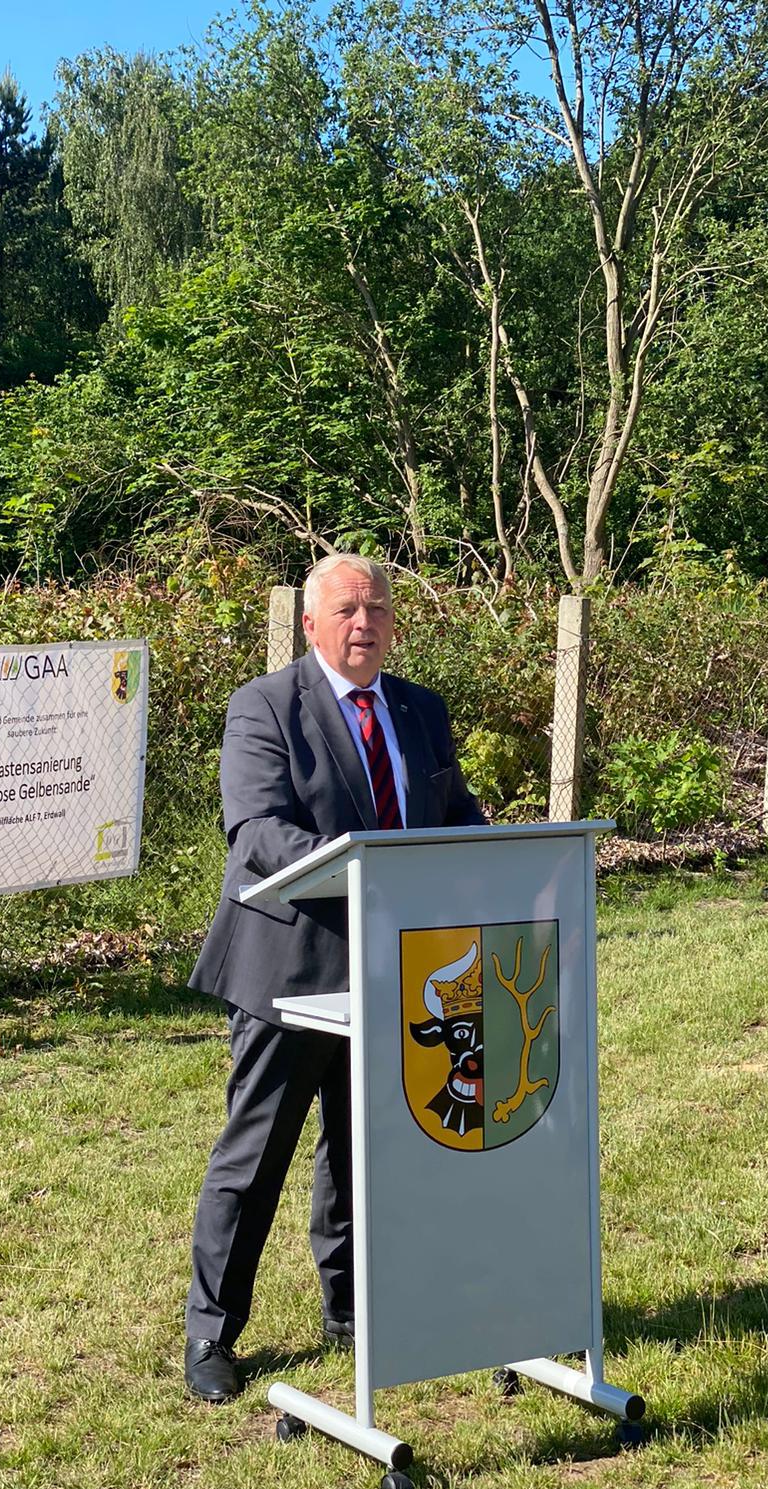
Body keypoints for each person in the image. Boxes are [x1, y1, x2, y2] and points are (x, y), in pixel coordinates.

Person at [184, 554, 485, 1401]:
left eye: (378, 610)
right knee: (258, 1156)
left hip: (395, 967)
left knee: (363, 1153)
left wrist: (497, 861)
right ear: (311, 624)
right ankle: (211, 1332)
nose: (365, 624)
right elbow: (257, 832)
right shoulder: (266, 706)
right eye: (348, 609)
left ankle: (350, 1309)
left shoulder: (422, 710)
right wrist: (361, 870)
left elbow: (455, 816)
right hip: (291, 967)